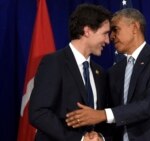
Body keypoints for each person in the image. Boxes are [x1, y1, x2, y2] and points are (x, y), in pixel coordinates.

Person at [66, 8, 150, 141]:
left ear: (134, 27)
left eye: (115, 29)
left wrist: (103, 115)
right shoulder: (114, 72)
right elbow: (112, 113)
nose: (111, 37)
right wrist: (99, 136)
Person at [29, 4, 112, 141]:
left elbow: (99, 117)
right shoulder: (54, 63)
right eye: (105, 33)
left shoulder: (99, 72)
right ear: (87, 31)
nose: (108, 41)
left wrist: (99, 136)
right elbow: (39, 113)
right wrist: (79, 139)